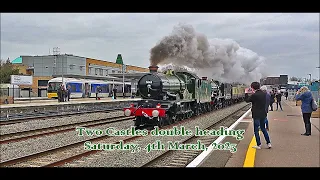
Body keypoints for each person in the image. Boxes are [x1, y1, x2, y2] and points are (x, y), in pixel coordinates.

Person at [245, 82, 272, 149]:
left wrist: (246, 93)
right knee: (263, 129)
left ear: (252, 87)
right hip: (263, 114)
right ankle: (268, 143)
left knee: (256, 130)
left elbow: (247, 100)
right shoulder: (264, 94)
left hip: (256, 114)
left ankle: (259, 144)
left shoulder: (255, 95)